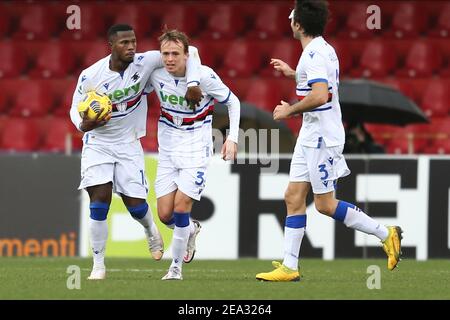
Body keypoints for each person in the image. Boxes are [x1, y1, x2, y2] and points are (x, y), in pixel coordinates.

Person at [255, 0, 402, 282]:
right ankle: (289, 266)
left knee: (324, 204)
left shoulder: (313, 54)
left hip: (322, 138)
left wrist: (289, 110)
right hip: (311, 135)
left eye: (291, 19)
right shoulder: (322, 50)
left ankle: (386, 234)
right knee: (293, 196)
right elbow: (322, 83)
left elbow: (321, 95)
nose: (289, 22)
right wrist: (293, 74)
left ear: (298, 24)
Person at [69, 24, 203, 280]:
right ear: (111, 45)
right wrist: (82, 124)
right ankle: (98, 265)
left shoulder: (146, 62)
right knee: (99, 201)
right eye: (124, 43)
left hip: (129, 143)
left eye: (133, 41)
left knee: (136, 206)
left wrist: (194, 83)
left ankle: (151, 230)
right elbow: (75, 106)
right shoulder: (91, 75)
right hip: (98, 142)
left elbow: (191, 51)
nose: (131, 47)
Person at [147, 29, 240, 280]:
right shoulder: (155, 74)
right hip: (167, 147)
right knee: (164, 214)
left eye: (175, 53)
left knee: (180, 208)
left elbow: (233, 101)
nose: (169, 59)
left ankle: (175, 269)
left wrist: (232, 138)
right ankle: (191, 230)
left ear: (187, 56)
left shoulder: (205, 76)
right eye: (165, 53)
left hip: (196, 146)